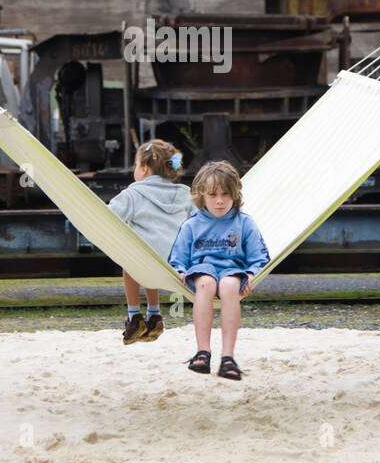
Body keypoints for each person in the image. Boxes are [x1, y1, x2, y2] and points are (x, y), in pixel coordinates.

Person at [168, 161, 269, 381]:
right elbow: (177, 258)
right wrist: (181, 271)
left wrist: (251, 275)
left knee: (230, 286)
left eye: (226, 194)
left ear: (235, 194)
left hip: (232, 271)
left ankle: (228, 358)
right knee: (206, 283)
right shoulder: (191, 225)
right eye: (213, 195)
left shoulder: (244, 223)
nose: (220, 201)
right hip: (202, 272)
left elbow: (259, 257)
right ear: (202, 196)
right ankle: (203, 352)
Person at [107, 139, 194, 345]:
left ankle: (134, 316)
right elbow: (199, 221)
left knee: (133, 257)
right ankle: (154, 314)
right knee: (150, 256)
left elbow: (109, 216)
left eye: (136, 165)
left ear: (144, 168)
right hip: (176, 264)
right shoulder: (184, 194)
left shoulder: (133, 194)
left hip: (146, 261)